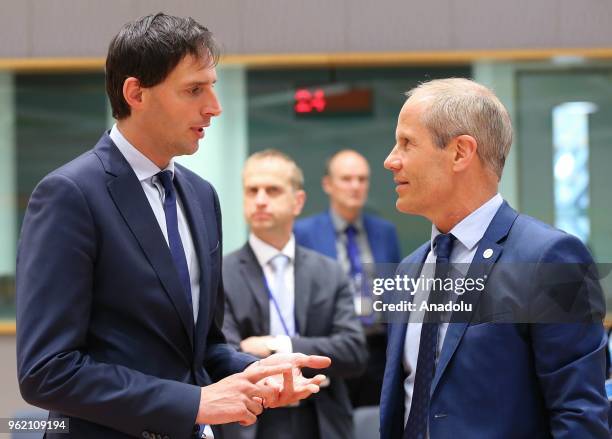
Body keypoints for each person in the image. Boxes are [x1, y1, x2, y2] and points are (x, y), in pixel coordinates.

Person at [15, 13, 329, 439]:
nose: (213, 107)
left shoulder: (201, 197)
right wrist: (194, 402)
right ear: (135, 93)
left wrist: (254, 371)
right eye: (194, 90)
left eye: (213, 88)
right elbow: (47, 371)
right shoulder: (70, 195)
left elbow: (201, 350)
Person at [379, 78, 610, 438]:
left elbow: (580, 415)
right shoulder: (409, 268)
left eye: (407, 143)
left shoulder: (549, 259)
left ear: (460, 152)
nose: (391, 160)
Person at [221, 150, 368, 439]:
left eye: (272, 190)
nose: (260, 199)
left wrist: (277, 345)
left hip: (321, 419)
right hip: (252, 422)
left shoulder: (329, 271)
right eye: (252, 191)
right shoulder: (221, 273)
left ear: (297, 201)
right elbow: (224, 353)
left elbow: (353, 351)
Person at [294, 149, 401, 407]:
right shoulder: (303, 233)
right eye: (346, 179)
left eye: (362, 179)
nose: (355, 186)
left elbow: (396, 294)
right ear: (328, 184)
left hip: (377, 351)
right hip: (330, 352)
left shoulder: (385, 232)